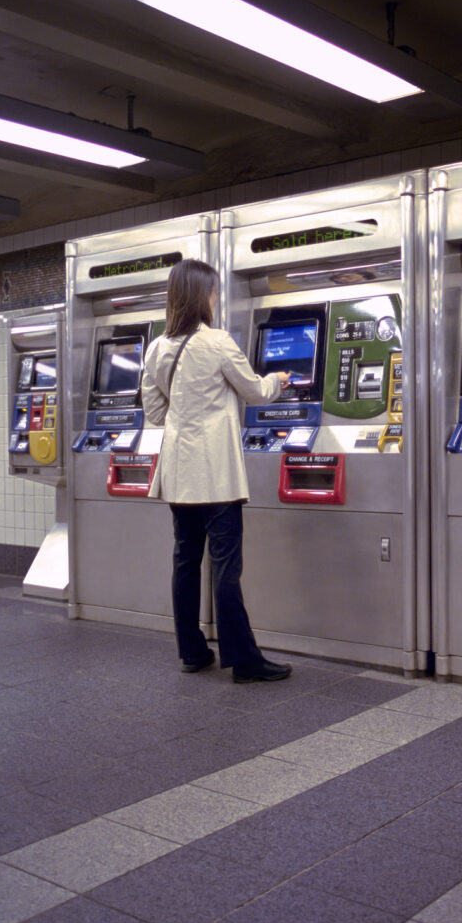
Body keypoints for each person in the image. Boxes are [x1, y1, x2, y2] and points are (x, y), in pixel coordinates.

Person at [141, 258, 293, 683]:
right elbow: (256, 391)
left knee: (186, 561)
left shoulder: (156, 349)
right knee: (226, 567)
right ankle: (243, 660)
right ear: (202, 296)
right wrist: (278, 378)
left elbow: (154, 412)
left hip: (177, 473)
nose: (215, 298)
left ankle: (191, 651)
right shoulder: (217, 342)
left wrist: (186, 408)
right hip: (216, 474)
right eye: (213, 291)